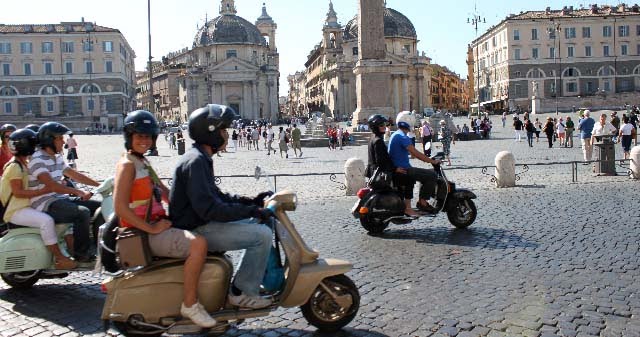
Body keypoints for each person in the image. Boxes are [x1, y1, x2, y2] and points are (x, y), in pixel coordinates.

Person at [112, 110, 216, 327]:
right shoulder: (127, 165)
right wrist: (151, 229)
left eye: (149, 136)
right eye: (139, 136)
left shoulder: (142, 162)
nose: (145, 140)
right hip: (141, 233)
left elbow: (164, 192)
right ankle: (190, 304)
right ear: (129, 137)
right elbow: (120, 207)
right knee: (198, 244)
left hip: (155, 224)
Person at [170, 104, 274, 309]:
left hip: (200, 222)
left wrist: (250, 202)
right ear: (211, 133)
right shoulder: (196, 162)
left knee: (258, 221)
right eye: (223, 130)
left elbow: (218, 197)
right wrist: (251, 210)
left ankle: (248, 281)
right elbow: (211, 209)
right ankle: (241, 292)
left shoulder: (200, 158)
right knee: (261, 236)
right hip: (195, 229)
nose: (227, 135)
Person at [1, 129, 77, 269]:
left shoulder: (23, 163)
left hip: (25, 206)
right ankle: (60, 258)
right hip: (16, 210)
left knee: (62, 220)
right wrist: (42, 190)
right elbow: (18, 193)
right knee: (46, 221)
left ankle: (70, 252)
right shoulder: (15, 167)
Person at [27, 122, 100, 262]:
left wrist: (101, 184)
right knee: (82, 212)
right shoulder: (37, 159)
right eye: (60, 138)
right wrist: (77, 191)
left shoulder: (57, 157)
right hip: (45, 204)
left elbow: (75, 175)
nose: (63, 141)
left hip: (59, 199)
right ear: (49, 140)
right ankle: (81, 254)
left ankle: (98, 247)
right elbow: (52, 185)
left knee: (99, 207)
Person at [388, 116, 441, 217]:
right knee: (432, 175)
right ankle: (422, 202)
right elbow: (415, 153)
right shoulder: (402, 136)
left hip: (400, 167)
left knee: (425, 173)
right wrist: (432, 161)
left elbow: (413, 153)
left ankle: (421, 201)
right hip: (404, 169)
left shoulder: (396, 134)